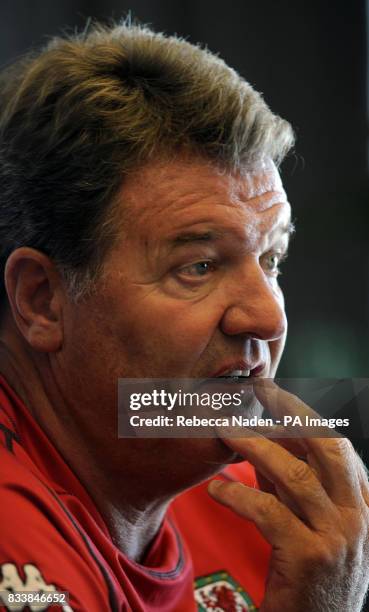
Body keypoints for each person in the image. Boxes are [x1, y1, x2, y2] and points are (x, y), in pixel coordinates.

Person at [0, 20, 368, 612]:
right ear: (42, 300)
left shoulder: (256, 501)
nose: (266, 316)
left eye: (271, 258)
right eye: (198, 266)